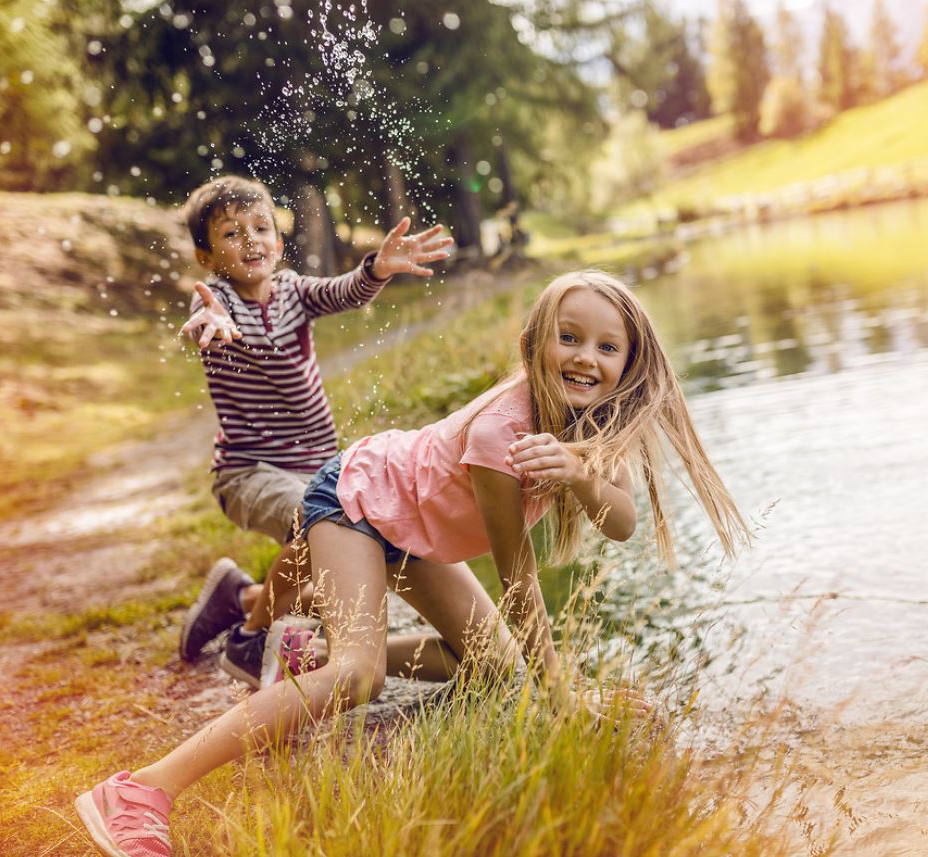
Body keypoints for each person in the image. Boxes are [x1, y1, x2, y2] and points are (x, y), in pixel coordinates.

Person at [75, 270, 750, 857]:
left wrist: (577, 470)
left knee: (496, 670)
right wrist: (565, 700)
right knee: (359, 673)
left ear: (629, 363)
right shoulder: (500, 435)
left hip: (413, 528)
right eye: (569, 337)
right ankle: (140, 790)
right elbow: (518, 580)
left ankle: (306, 656)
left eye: (608, 347)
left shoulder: (591, 424)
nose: (586, 358)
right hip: (359, 499)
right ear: (534, 343)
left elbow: (621, 521)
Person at [174, 175, 454, 687]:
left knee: (337, 555)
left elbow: (341, 291)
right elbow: (206, 315)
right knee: (316, 523)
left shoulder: (293, 292)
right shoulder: (217, 300)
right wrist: (211, 320)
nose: (251, 239)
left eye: (261, 227)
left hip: (313, 467)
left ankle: (236, 598)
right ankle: (250, 639)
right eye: (232, 234)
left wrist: (377, 268)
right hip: (248, 472)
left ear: (279, 243)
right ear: (206, 256)